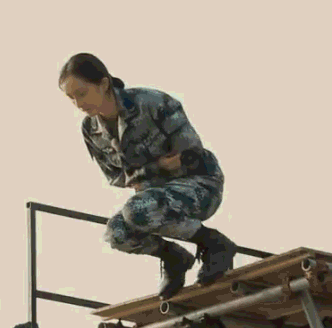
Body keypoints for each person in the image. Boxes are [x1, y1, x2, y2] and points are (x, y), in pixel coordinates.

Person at [58, 53, 237, 301]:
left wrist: (145, 175)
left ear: (104, 83)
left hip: (200, 186)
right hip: (153, 201)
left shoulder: (151, 103)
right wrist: (157, 167)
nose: (78, 103)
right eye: (71, 98)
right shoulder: (90, 129)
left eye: (82, 93)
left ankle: (213, 243)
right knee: (116, 233)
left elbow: (190, 154)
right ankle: (174, 257)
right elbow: (115, 176)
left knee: (136, 210)